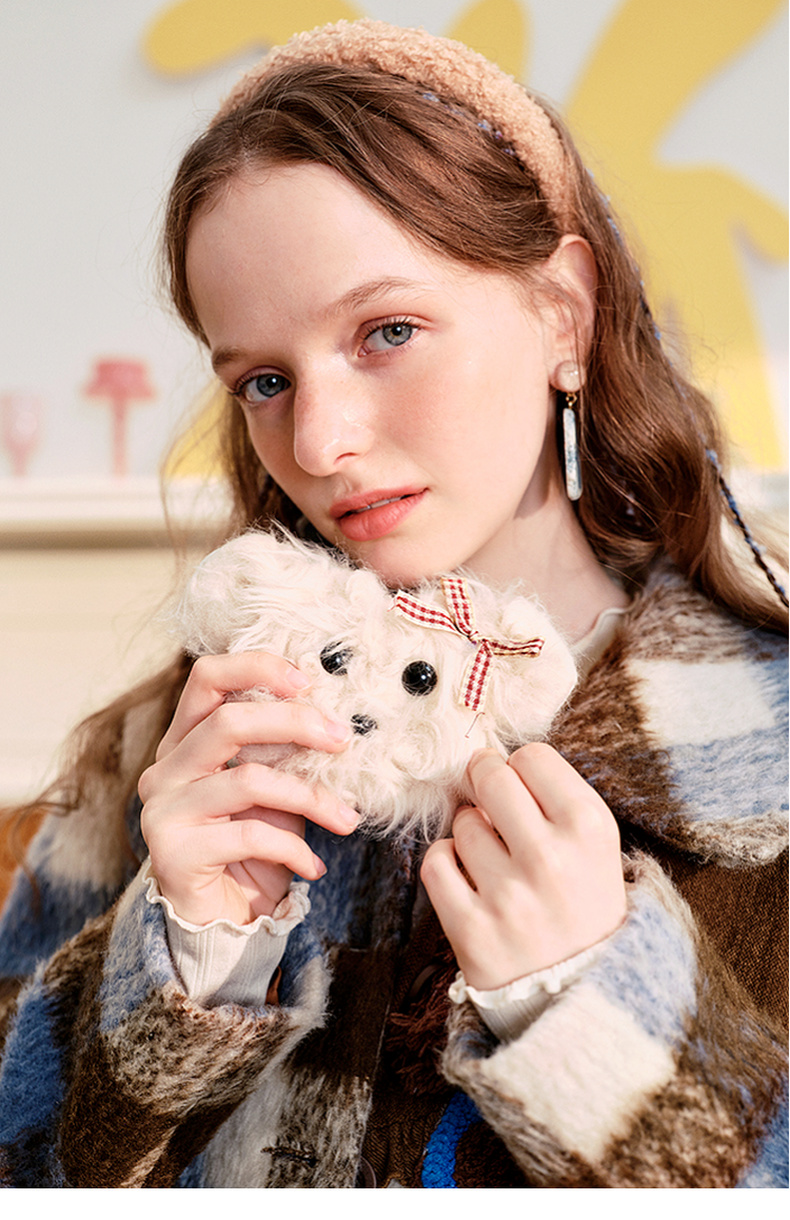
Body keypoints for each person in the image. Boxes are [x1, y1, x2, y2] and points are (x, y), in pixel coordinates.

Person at [0, 19, 786, 1189]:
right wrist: (177, 965)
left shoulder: (766, 743)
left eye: (387, 332)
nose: (318, 443)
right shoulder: (171, 749)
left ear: (563, 313)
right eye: (265, 380)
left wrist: (591, 1013)